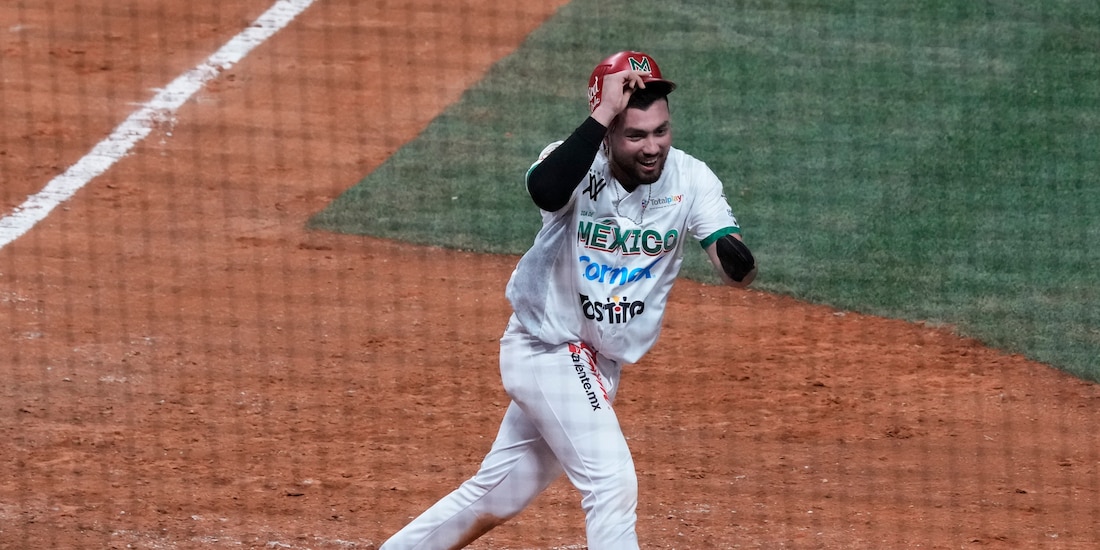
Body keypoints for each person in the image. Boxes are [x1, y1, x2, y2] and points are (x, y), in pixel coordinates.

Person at [380, 50, 756, 550]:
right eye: (635, 135)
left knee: (499, 493)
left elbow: (730, 260)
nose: (653, 148)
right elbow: (546, 189)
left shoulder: (690, 179)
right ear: (606, 129)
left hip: (599, 364)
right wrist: (601, 114)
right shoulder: (574, 161)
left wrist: (736, 261)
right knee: (611, 481)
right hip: (547, 349)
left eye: (661, 132)